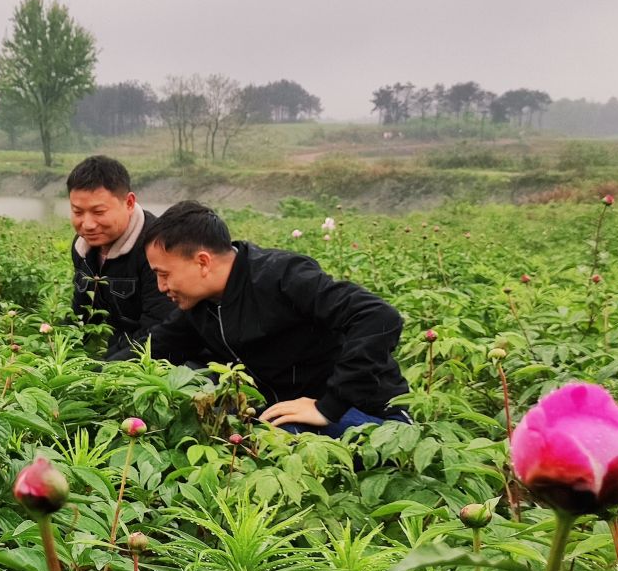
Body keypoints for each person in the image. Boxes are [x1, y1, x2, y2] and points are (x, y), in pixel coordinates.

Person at [142, 201, 409, 437]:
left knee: (270, 440)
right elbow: (153, 348)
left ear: (202, 262)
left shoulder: (281, 276)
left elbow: (378, 316)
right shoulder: (203, 305)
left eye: (164, 274)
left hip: (370, 413)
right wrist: (103, 380)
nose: (161, 286)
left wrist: (329, 406)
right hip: (288, 411)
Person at [66, 154, 176, 360]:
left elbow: (160, 331)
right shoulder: (82, 246)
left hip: (148, 356)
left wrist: (105, 369)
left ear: (129, 203)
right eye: (77, 212)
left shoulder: (158, 247)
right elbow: (81, 314)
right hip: (112, 348)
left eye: (99, 212)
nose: (87, 224)